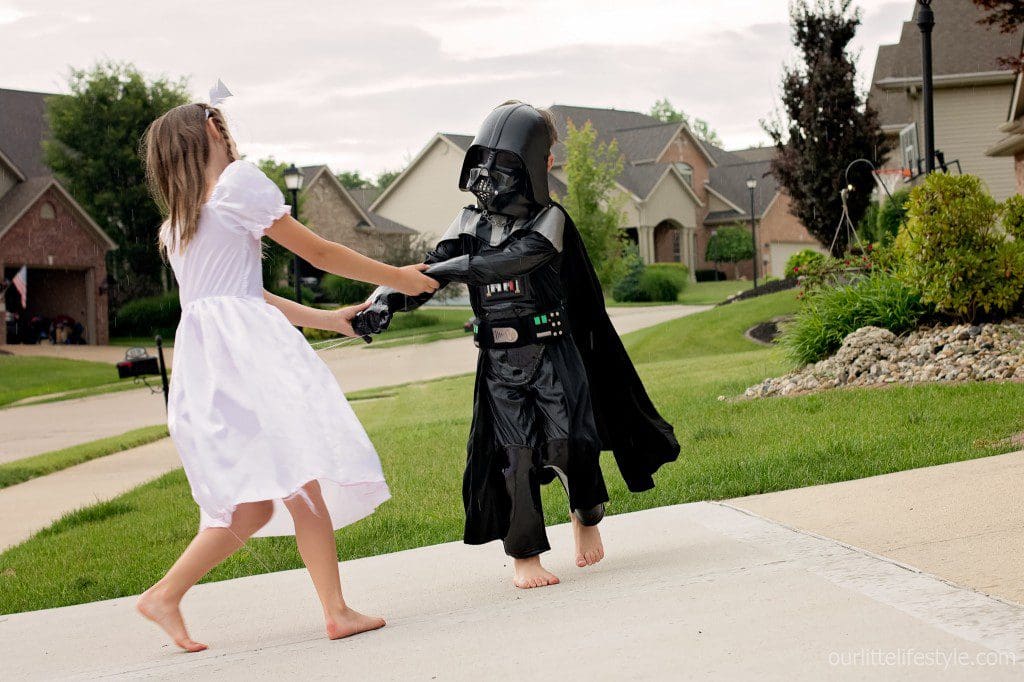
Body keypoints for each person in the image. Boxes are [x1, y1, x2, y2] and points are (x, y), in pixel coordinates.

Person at [136, 101, 438, 652]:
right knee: (298, 481)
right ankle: (336, 611)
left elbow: (246, 295)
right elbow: (317, 252)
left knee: (256, 502)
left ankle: (165, 595)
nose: (228, 134)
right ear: (207, 136)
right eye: (218, 126)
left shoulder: (177, 225)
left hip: (210, 368)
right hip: (248, 359)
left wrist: (327, 320)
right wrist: (399, 276)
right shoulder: (236, 186)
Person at [354, 102, 679, 589]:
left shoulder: (551, 221)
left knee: (571, 443)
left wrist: (436, 273)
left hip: (554, 352)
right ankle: (525, 557)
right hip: (499, 362)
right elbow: (423, 272)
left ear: (541, 165)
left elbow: (505, 263)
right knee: (515, 456)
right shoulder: (466, 224)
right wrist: (382, 301)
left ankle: (585, 513)